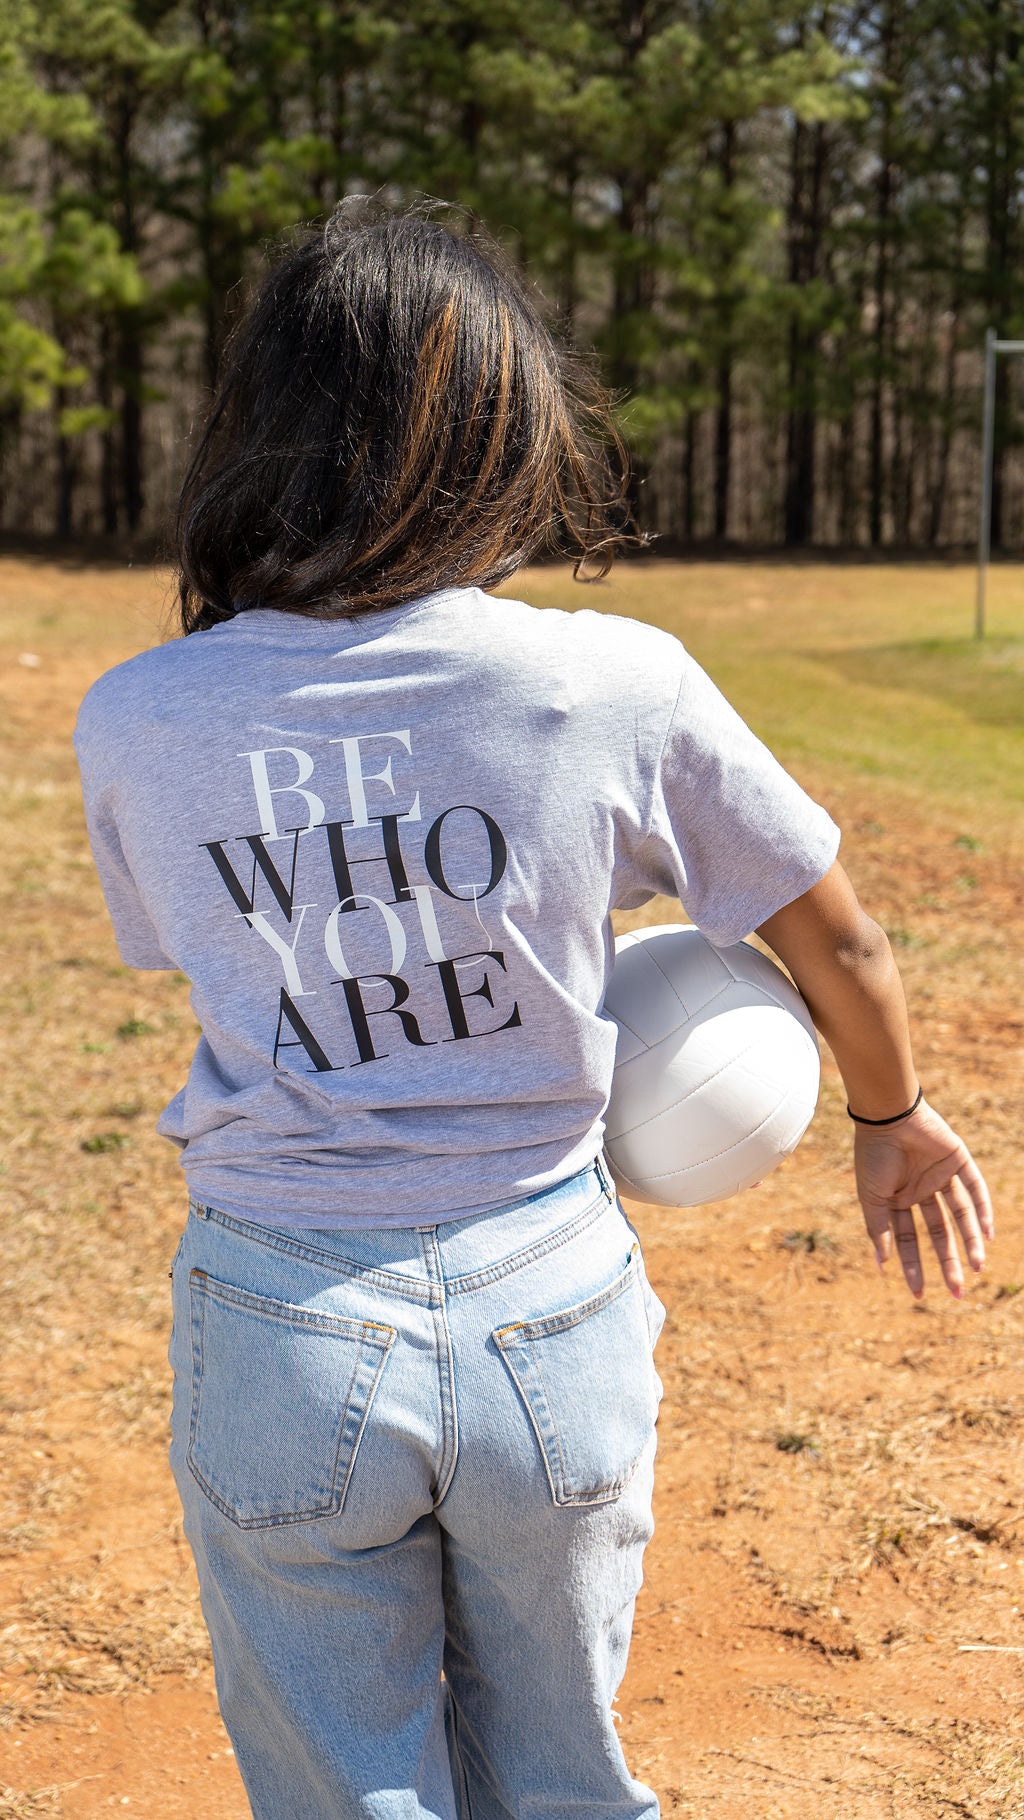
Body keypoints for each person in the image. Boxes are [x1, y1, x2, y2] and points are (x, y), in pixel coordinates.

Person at [74, 200, 992, 1820]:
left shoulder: (139, 714)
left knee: (341, 1792)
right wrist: (891, 1118)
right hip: (547, 1308)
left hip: (279, 1317)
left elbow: (174, 945)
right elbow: (840, 944)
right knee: (565, 1779)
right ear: (505, 429)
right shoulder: (611, 681)